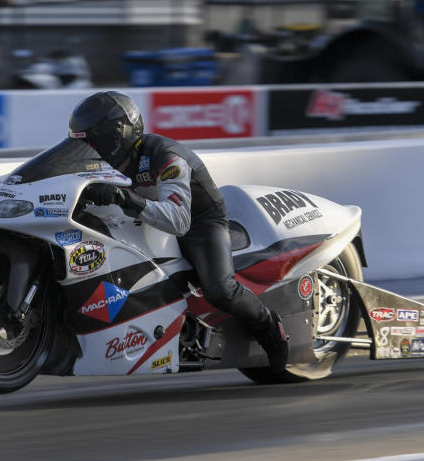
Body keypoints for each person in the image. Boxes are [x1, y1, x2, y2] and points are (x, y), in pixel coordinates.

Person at [67, 91, 289, 373]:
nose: (89, 148)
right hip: (139, 218)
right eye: (83, 142)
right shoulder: (98, 161)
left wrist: (126, 199)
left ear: (115, 136)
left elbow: (179, 219)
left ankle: (270, 328)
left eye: (92, 141)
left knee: (220, 289)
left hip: (198, 221)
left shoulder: (165, 156)